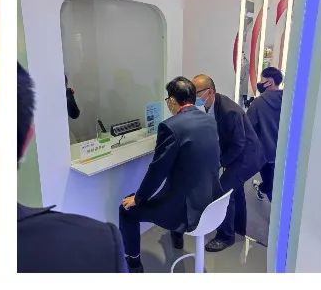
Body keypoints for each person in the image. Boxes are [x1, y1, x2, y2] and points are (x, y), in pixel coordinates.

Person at [18, 63, 125, 272]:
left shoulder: (63, 94)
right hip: (54, 142)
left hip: (66, 138)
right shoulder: (101, 241)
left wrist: (69, 96)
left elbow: (75, 114)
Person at [119, 76, 222, 272]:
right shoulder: (209, 120)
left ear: (172, 101)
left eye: (168, 99)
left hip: (188, 209)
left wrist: (138, 198)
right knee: (171, 188)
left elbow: (157, 171)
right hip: (211, 199)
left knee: (126, 210)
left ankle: (134, 264)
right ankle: (177, 238)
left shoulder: (170, 126)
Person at [192, 74, 264, 252]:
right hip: (239, 154)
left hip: (247, 157)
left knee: (222, 192)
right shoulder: (212, 105)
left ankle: (226, 236)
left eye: (196, 92)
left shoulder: (228, 110)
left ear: (210, 91)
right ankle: (238, 228)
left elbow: (239, 143)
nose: (193, 96)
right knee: (235, 191)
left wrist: (220, 162)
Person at [246, 67, 284, 202]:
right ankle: (263, 189)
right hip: (285, 153)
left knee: (271, 186)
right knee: (279, 183)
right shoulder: (288, 100)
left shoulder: (257, 103)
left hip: (266, 154)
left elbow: (248, 128)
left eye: (262, 80)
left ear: (270, 82)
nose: (260, 84)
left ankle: (264, 191)